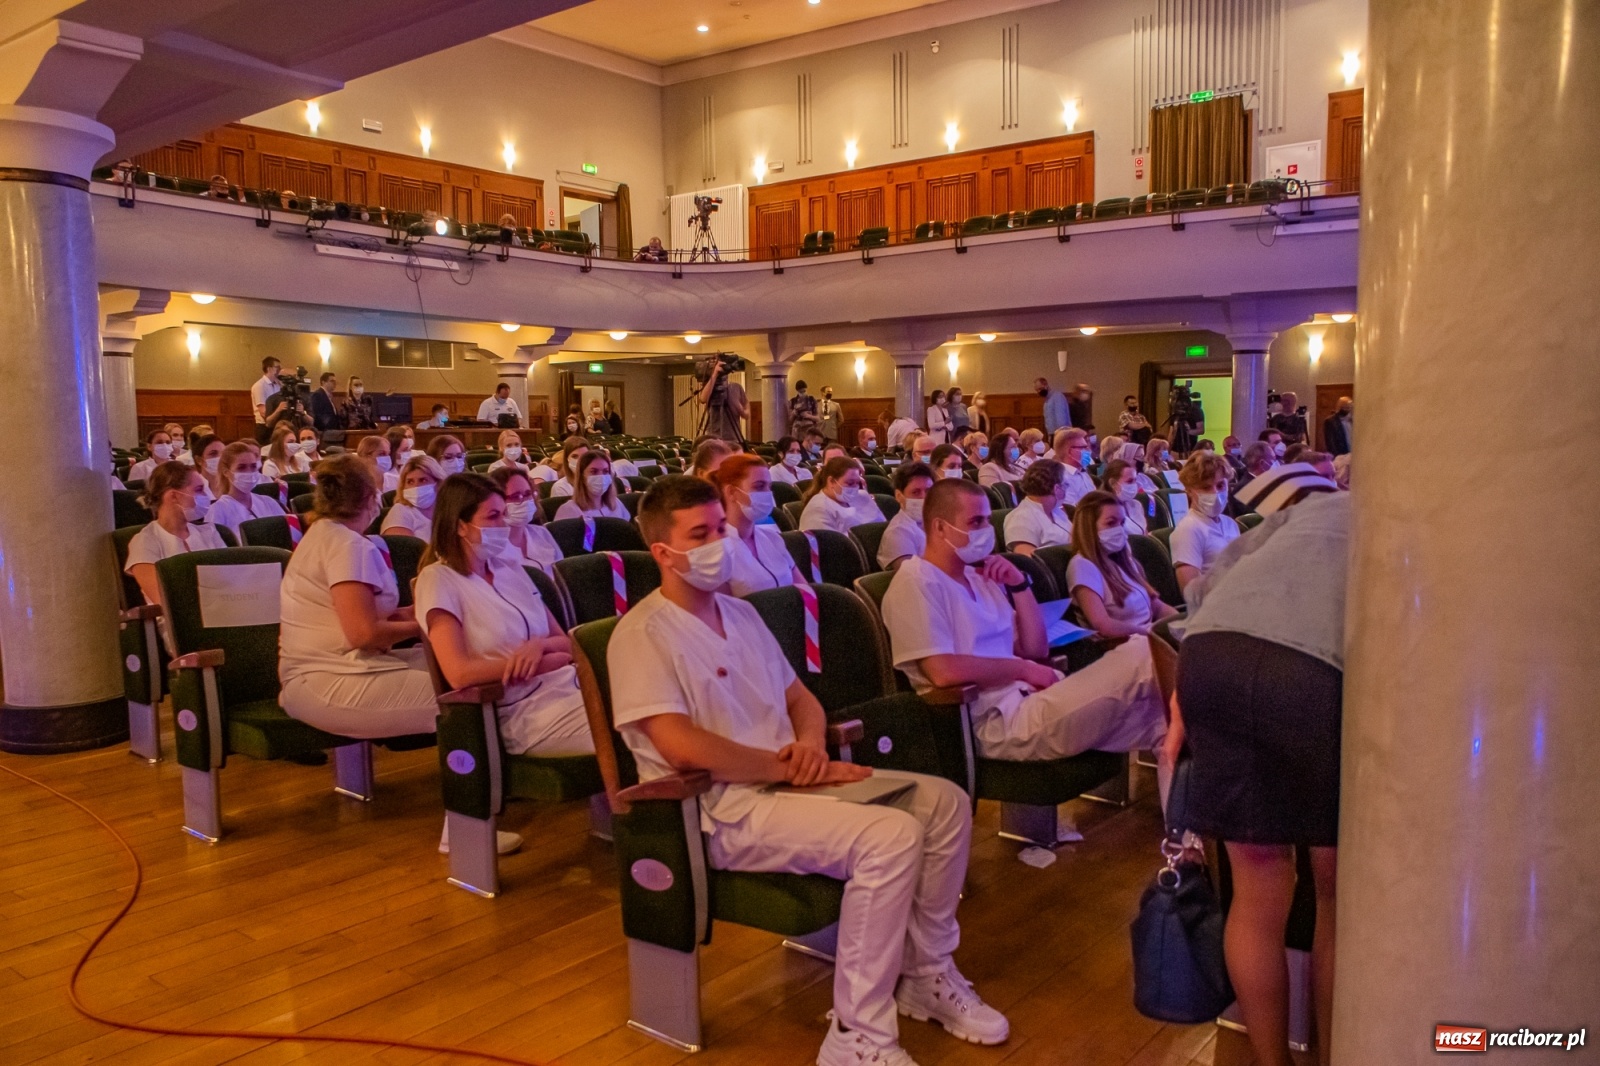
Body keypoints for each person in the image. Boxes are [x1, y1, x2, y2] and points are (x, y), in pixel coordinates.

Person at [611, 475, 1006, 1066]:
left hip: (789, 781)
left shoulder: (740, 616)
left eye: (721, 527)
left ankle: (925, 973)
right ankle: (856, 1034)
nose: (721, 540)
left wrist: (813, 747)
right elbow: (679, 745)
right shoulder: (642, 633)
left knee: (943, 802)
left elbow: (801, 699)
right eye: (702, 534)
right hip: (724, 808)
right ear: (664, 552)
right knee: (891, 836)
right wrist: (788, 767)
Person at [1170, 473, 1343, 1066]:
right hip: (1309, 673)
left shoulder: (1310, 511)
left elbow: (1203, 595)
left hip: (1210, 659)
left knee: (1256, 890)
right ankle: (1330, 1055)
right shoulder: (1416, 523)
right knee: (1334, 895)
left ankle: (1272, 1061)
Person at [881, 477, 1168, 764]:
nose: (986, 530)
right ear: (941, 527)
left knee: (1169, 723)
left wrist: (1019, 586)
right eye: (976, 522)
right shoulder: (915, 581)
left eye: (987, 521)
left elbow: (1035, 649)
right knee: (1147, 651)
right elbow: (943, 671)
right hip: (994, 721)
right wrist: (1023, 669)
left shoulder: (980, 577)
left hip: (1032, 698)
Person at [416, 473, 594, 763]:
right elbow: (458, 672)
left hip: (568, 685)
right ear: (461, 525)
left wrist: (538, 646)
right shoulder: (439, 579)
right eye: (493, 516)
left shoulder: (511, 568)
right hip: (523, 712)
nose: (503, 524)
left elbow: (565, 643)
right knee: (637, 726)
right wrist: (543, 663)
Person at [277, 453, 437, 740]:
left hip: (343, 667)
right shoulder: (346, 544)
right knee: (466, 695)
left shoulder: (326, 534)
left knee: (456, 664)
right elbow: (363, 634)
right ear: (369, 497)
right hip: (327, 678)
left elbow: (367, 614)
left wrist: (417, 611)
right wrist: (431, 623)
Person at [124, 462, 227, 642]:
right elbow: (164, 598)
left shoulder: (209, 532)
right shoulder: (146, 541)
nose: (207, 496)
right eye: (199, 489)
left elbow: (232, 580)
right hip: (180, 626)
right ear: (174, 496)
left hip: (222, 615)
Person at [1067, 491, 1178, 638]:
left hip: (1149, 638)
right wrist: (1152, 634)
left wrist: (1179, 622)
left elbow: (1157, 607)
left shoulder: (1124, 559)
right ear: (1089, 527)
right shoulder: (1082, 566)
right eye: (1111, 523)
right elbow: (1103, 625)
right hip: (1123, 645)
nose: (1119, 529)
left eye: (1122, 523)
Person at [710, 455, 805, 594]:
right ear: (732, 492)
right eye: (759, 486)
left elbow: (805, 591)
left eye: (769, 487)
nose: (767, 493)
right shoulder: (716, 551)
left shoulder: (773, 538)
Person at [1170, 452, 1241, 591]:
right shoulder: (1188, 529)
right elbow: (1191, 592)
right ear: (1190, 491)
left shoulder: (1230, 524)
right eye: (1205, 487)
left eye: (1220, 485)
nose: (1215, 493)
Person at [488, 467, 564, 574]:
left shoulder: (541, 533)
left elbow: (561, 574)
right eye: (516, 496)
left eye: (528, 494)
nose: (524, 501)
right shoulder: (489, 548)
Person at [206, 441, 285, 537]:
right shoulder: (217, 511)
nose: (249, 472)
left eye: (253, 466)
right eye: (241, 467)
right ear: (226, 472)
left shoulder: (269, 502)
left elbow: (288, 534)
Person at [1002, 460, 1072, 555]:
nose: (1067, 490)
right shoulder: (1021, 519)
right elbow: (1030, 563)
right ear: (1057, 489)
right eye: (1066, 485)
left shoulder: (1056, 511)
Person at [799, 456, 884, 534]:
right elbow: (830, 546)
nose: (855, 488)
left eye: (857, 483)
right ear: (831, 481)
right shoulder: (817, 509)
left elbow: (882, 526)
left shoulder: (863, 496)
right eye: (850, 483)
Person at [878, 461, 934, 570]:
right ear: (899, 496)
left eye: (928, 491)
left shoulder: (938, 522)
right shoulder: (897, 532)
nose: (924, 498)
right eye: (916, 492)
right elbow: (912, 577)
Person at [381, 454, 445, 539]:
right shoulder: (400, 511)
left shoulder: (448, 509)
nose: (416, 486)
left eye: (423, 480)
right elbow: (406, 550)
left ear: (438, 483)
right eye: (410, 482)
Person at [554, 452, 629, 521]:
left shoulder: (616, 503)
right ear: (582, 477)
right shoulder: (568, 510)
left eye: (605, 471)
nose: (601, 476)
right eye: (594, 472)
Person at [1101, 458, 1151, 535]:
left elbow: (1145, 534)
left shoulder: (1136, 505)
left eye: (1135, 480)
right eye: (1130, 481)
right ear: (1113, 483)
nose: (1135, 485)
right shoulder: (1104, 511)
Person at [1054, 428, 1097, 506]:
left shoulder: (1083, 472)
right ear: (1070, 451)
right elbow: (1071, 510)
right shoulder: (1061, 478)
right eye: (1083, 447)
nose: (1088, 450)